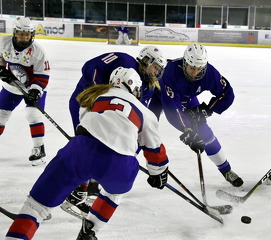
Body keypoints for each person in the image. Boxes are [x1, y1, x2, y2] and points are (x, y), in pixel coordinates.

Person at [5, 67, 169, 240]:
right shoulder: (145, 112)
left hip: (81, 150)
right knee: (113, 194)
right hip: (119, 163)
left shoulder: (94, 95)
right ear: (134, 88)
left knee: (36, 206)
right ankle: (90, 231)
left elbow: (85, 124)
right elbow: (155, 149)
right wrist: (158, 172)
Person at [65, 46, 167, 218]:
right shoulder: (124, 60)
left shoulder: (148, 86)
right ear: (146, 61)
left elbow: (141, 118)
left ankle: (90, 185)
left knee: (106, 148)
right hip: (85, 103)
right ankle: (77, 190)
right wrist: (95, 90)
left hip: (110, 113)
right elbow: (90, 67)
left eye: (159, 69)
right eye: (155, 67)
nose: (156, 72)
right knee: (87, 146)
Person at [160, 44, 243, 187]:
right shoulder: (170, 71)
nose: (195, 72)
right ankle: (124, 161)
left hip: (186, 98)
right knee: (144, 128)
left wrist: (207, 109)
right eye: (192, 68)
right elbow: (172, 107)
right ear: (185, 62)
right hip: (159, 96)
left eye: (199, 68)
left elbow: (227, 93)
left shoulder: (209, 72)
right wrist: (187, 130)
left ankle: (226, 170)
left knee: (205, 133)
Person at [0, 17, 50, 166]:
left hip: (33, 88)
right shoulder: (4, 43)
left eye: (27, 34)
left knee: (33, 115)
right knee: (0, 116)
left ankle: (39, 149)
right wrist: (1, 69)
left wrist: (34, 91)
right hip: (12, 86)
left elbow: (42, 76)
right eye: (21, 33)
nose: (24, 37)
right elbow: (0, 60)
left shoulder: (38, 52)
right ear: (15, 33)